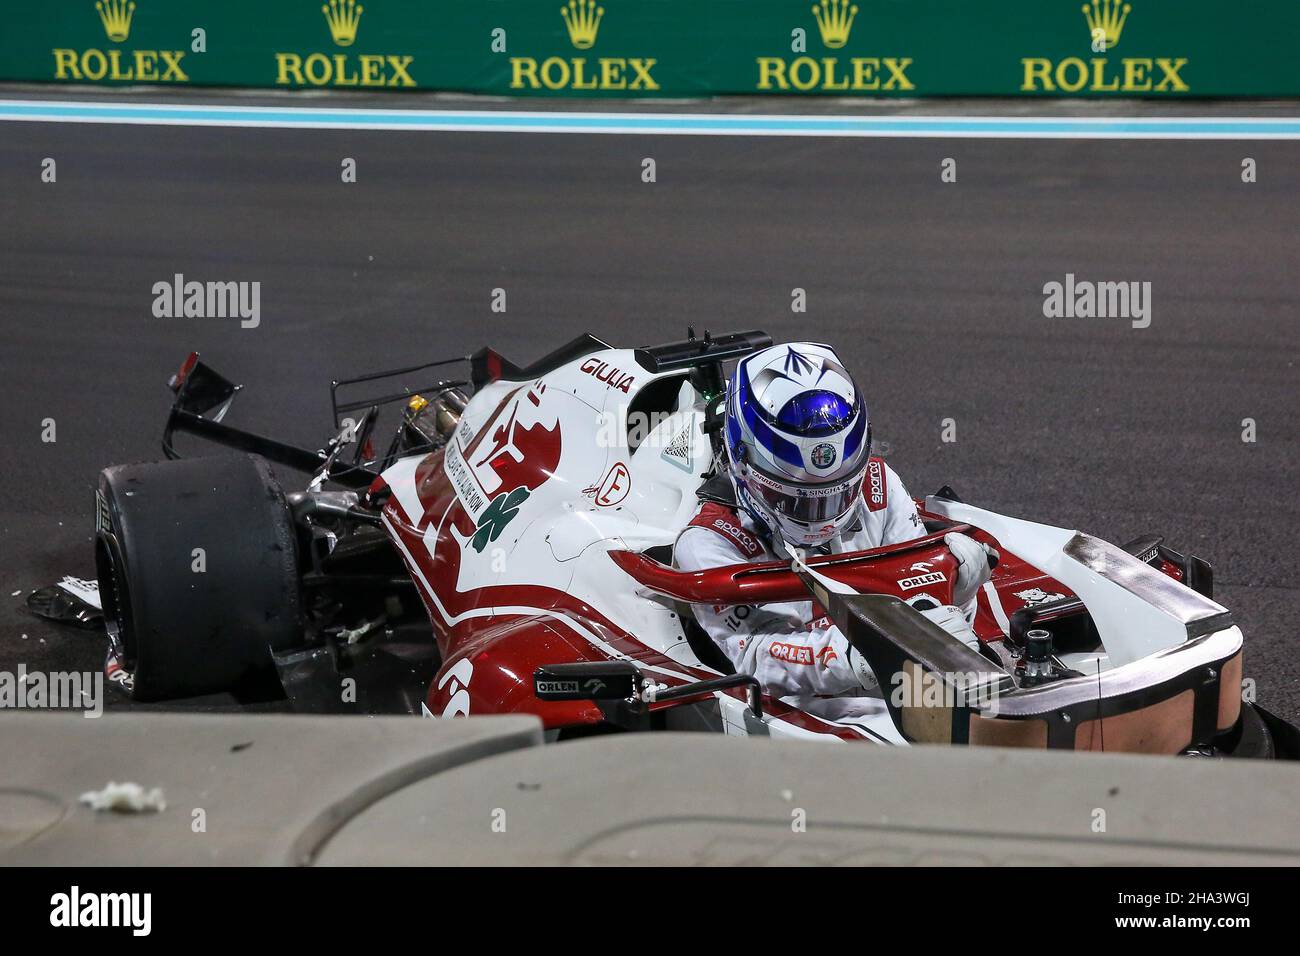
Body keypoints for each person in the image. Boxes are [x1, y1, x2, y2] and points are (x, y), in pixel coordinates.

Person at [675, 342, 996, 699]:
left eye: (837, 493)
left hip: (890, 686)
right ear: (744, 467)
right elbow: (754, 655)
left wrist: (960, 593)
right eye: (795, 498)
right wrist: (856, 656)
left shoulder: (879, 486)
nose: (823, 517)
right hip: (805, 705)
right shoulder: (707, 544)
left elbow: (924, 612)